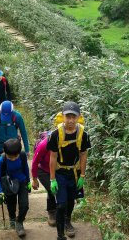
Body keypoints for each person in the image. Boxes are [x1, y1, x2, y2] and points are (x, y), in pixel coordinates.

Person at [48, 102, 91, 240]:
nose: (71, 120)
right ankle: (60, 235)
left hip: (74, 173)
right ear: (63, 116)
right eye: (68, 116)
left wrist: (82, 176)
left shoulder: (83, 134)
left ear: (78, 117)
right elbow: (53, 157)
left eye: (74, 117)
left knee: (71, 200)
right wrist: (52, 179)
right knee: (61, 205)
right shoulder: (56, 134)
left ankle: (68, 221)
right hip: (60, 172)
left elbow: (83, 155)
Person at [0, 138, 31, 237]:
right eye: (10, 157)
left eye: (16, 156)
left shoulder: (22, 155)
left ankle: (19, 222)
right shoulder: (2, 159)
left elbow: (25, 168)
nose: (13, 159)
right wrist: (0, 191)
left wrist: (28, 181)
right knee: (11, 205)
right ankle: (12, 218)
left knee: (24, 205)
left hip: (22, 182)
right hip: (9, 185)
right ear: (5, 152)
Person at [31, 130, 58, 226]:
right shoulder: (44, 144)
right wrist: (34, 180)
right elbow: (34, 163)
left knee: (58, 189)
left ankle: (63, 213)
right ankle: (52, 212)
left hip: (57, 169)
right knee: (52, 190)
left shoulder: (66, 142)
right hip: (43, 170)